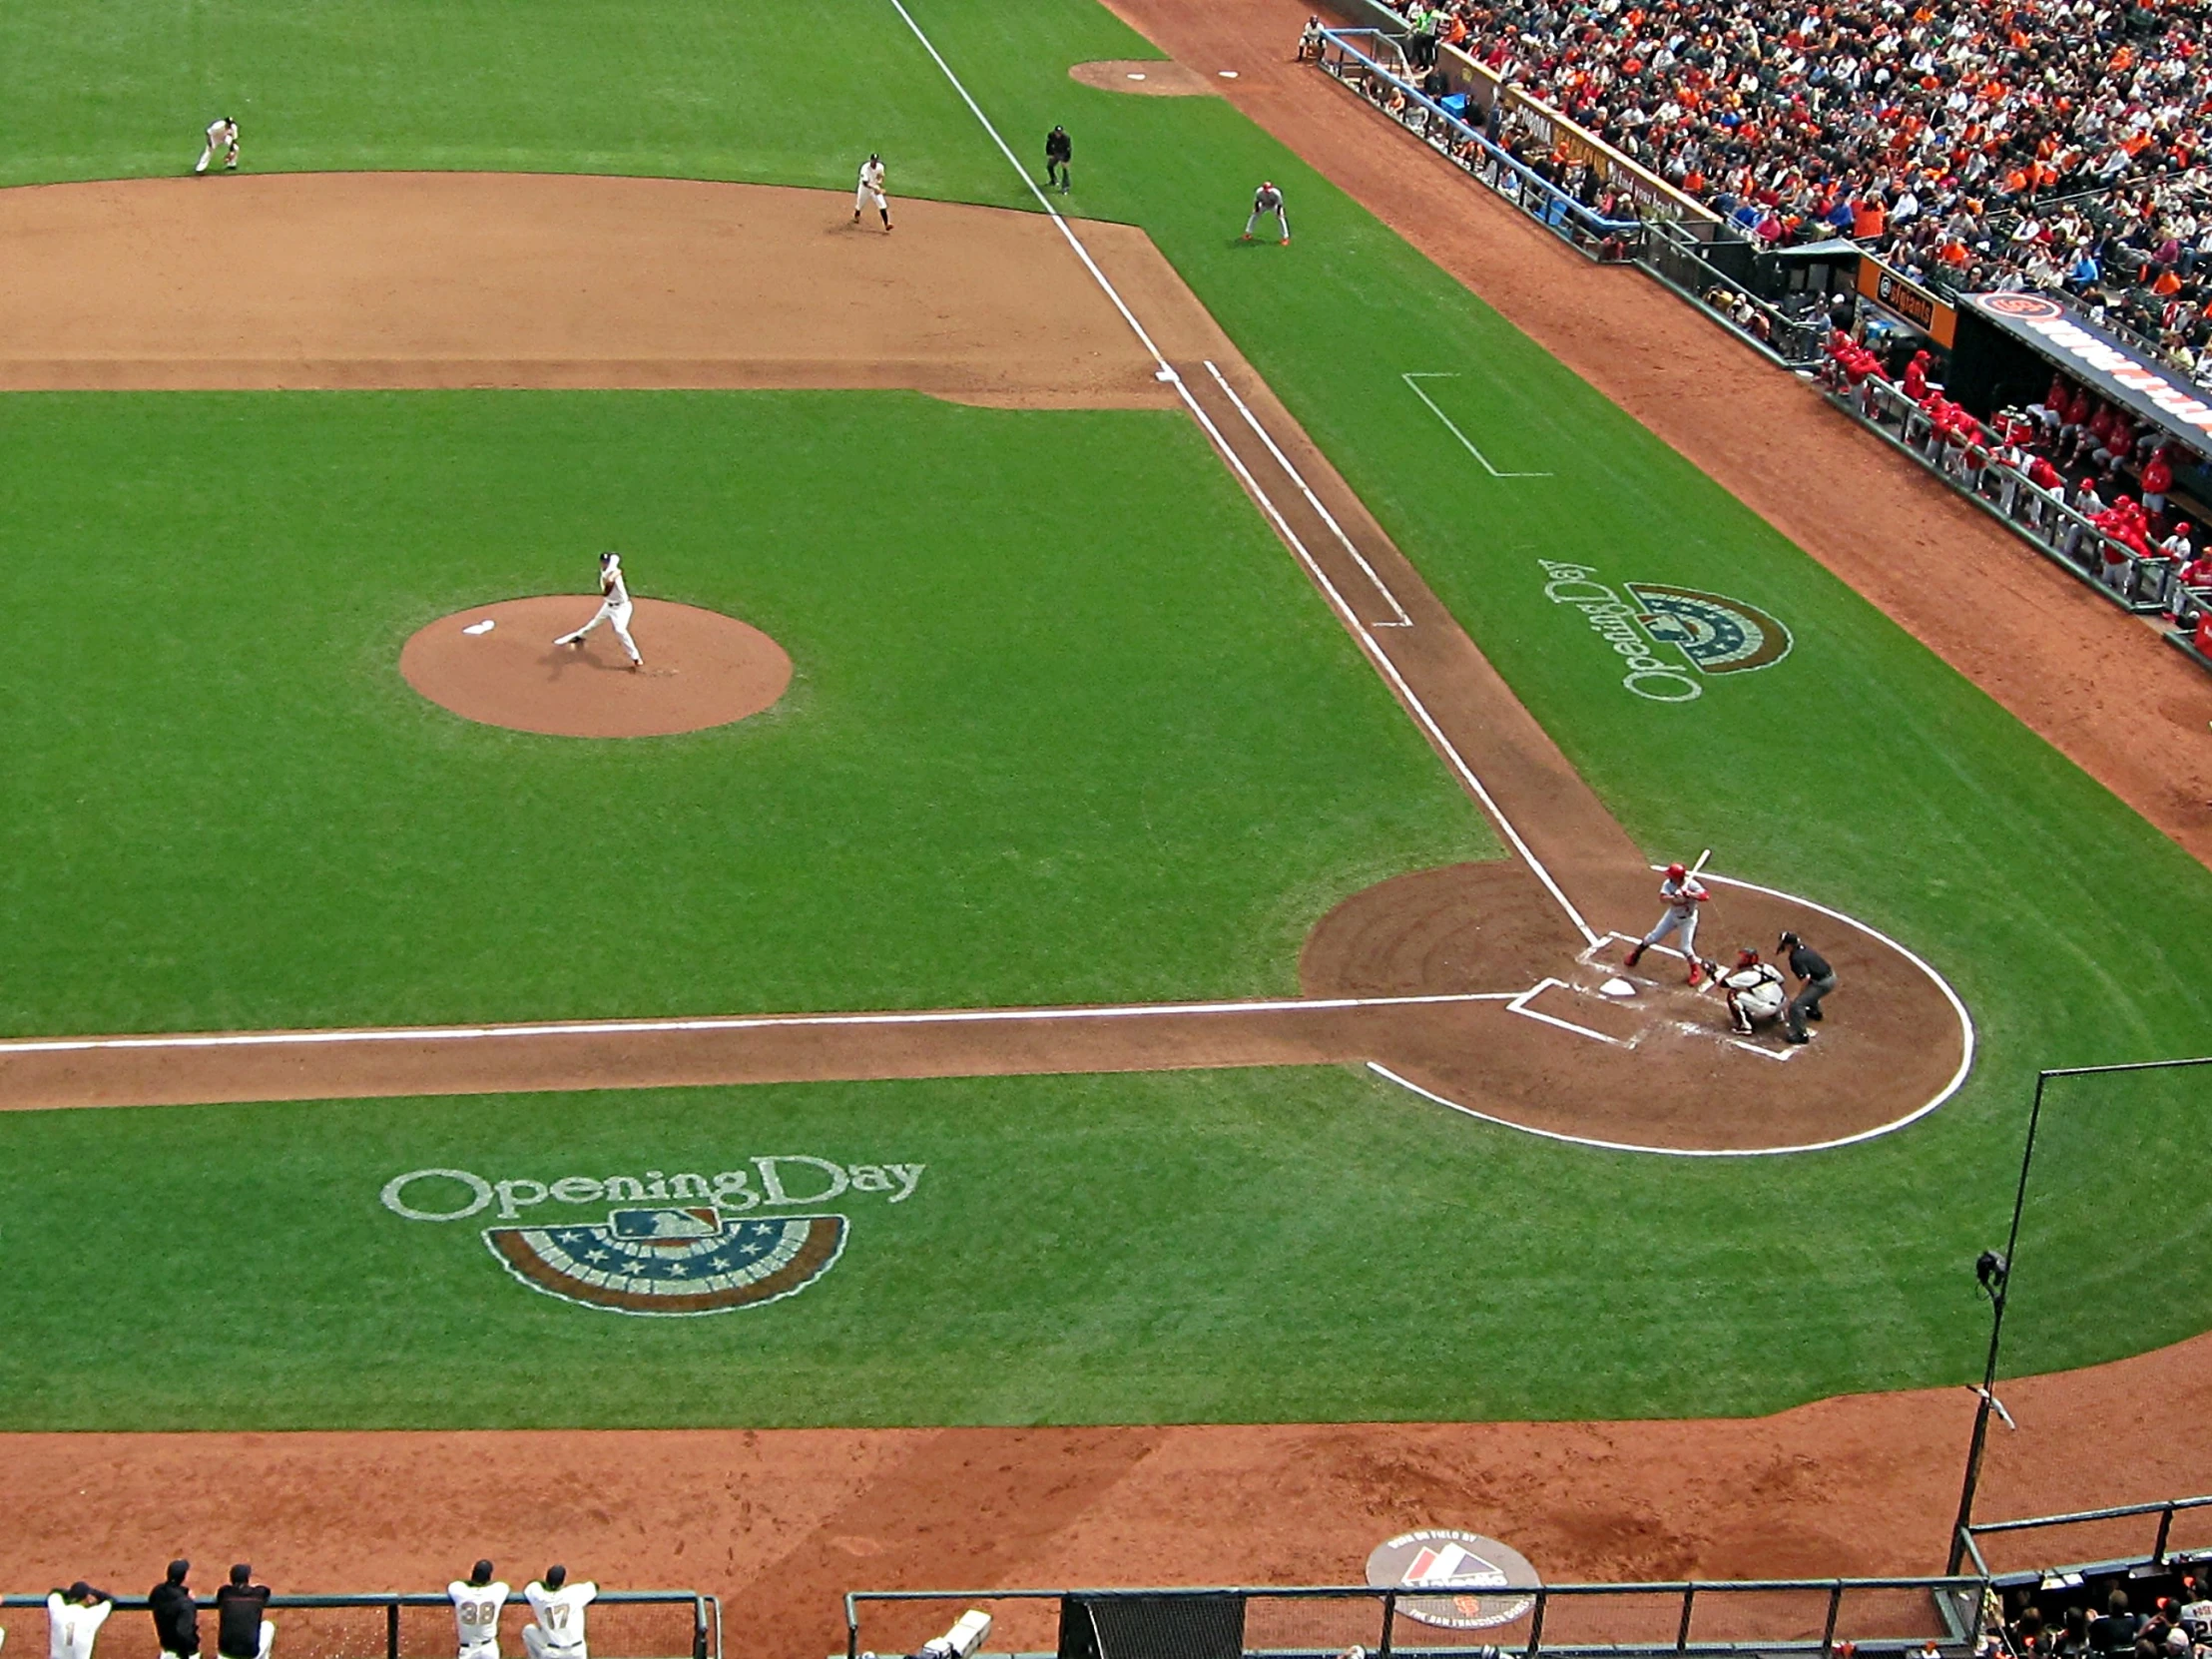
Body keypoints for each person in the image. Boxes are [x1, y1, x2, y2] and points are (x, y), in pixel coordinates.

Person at [1624, 860, 1710, 986]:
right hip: (1672, 916)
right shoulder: (1668, 884)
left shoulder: (1691, 884)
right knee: (1653, 937)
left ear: (1677, 877)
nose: (1668, 877)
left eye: (1671, 875)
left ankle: (1695, 972)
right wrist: (1673, 897)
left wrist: (1689, 894)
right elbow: (1663, 898)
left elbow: (1705, 896)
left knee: (1685, 948)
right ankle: (1635, 954)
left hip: (1688, 920)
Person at [553, 550, 644, 669]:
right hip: (608, 605)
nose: (605, 564)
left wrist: (611, 579)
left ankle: (636, 657)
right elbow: (615, 559)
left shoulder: (611, 570)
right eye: (603, 562)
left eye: (607, 562)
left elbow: (616, 573)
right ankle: (580, 636)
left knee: (620, 630)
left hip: (622, 607)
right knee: (594, 623)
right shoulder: (608, 567)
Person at [522, 1567, 596, 1659]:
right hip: (577, 1652)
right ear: (563, 1581)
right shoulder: (574, 1592)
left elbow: (532, 1585)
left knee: (528, 1630)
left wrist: (545, 1586)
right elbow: (594, 1586)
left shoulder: (539, 1597)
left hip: (552, 1653)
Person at [1778, 930, 1836, 1044]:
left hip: (1823, 983)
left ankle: (1801, 1035)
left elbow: (1805, 978)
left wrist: (1797, 995)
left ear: (1789, 945)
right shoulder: (1803, 948)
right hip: (1829, 976)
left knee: (1797, 1005)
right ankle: (1815, 1012)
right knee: (1810, 990)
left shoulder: (1796, 958)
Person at [1720, 947, 1787, 1035]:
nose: (1741, 960)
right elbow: (1780, 980)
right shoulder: (1767, 967)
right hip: (1783, 1002)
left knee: (1734, 994)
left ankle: (1745, 1026)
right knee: (1761, 989)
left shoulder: (1747, 975)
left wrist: (1711, 971)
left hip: (1768, 1009)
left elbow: (1723, 983)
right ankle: (1778, 1016)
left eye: (1744, 958)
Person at [450, 1561, 510, 1659]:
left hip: (467, 1651)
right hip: (489, 1649)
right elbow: (503, 1585)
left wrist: (472, 1584)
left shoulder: (460, 1591)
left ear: (472, 1575)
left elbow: (455, 1584)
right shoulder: (497, 1591)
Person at [216, 1564, 274, 1659]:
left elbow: (221, 1592)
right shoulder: (257, 1594)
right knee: (269, 1625)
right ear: (248, 1578)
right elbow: (265, 1590)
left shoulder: (225, 1593)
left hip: (225, 1654)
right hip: (250, 1654)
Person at [48, 1583, 114, 1659]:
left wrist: (69, 1593)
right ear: (87, 1598)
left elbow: (55, 1592)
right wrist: (94, 1593)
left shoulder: (58, 1610)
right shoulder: (92, 1615)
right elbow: (110, 1600)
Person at [152, 1561, 202, 1659]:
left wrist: (184, 1591)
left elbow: (163, 1592)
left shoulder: (158, 1591)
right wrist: (193, 1652)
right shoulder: (185, 1604)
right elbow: (184, 1632)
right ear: (183, 1577)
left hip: (167, 1648)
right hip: (181, 1652)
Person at [1243, 181, 1290, 245]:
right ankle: (1248, 233)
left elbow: (1279, 204)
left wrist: (1279, 213)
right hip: (1263, 205)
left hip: (1274, 205)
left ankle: (1285, 238)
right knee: (1254, 216)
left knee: (1281, 219)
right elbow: (1257, 201)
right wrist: (1257, 210)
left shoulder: (1276, 193)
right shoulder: (1259, 192)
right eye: (1266, 189)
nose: (1267, 191)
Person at [852, 154, 891, 232]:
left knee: (882, 205)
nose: (874, 162)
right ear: (870, 160)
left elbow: (881, 175)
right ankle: (857, 213)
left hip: (875, 186)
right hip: (864, 188)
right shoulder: (865, 168)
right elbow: (865, 183)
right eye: (873, 160)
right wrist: (875, 188)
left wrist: (879, 182)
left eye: (876, 161)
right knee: (860, 204)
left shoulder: (880, 166)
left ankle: (887, 224)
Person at [1043, 126, 1072, 195]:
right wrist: (1050, 153)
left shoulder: (1066, 139)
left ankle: (1065, 187)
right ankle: (1054, 180)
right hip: (1055, 152)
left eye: (1060, 133)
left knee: (1065, 171)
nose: (1058, 134)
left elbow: (1068, 150)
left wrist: (1066, 160)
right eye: (1057, 132)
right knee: (1049, 166)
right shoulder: (1051, 135)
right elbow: (1048, 144)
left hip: (1063, 154)